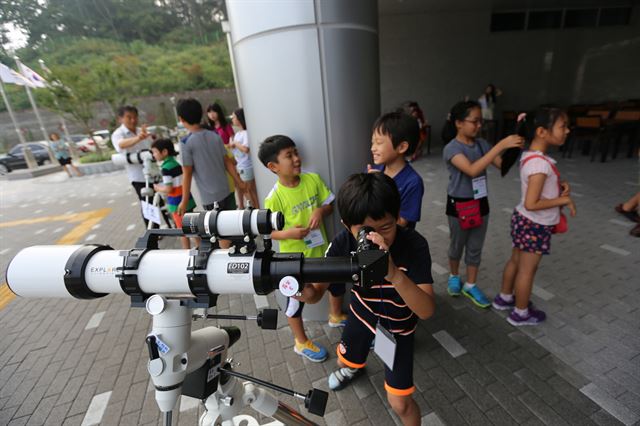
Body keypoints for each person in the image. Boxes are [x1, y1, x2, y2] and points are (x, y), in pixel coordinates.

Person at [297, 173, 435, 426]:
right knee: (343, 360)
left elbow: (426, 311)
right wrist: (305, 291)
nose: (378, 239)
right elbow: (315, 294)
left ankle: (356, 365)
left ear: (397, 217)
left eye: (386, 227)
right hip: (361, 316)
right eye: (366, 232)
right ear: (346, 225)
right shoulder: (342, 243)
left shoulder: (414, 245)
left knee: (400, 403)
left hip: (397, 328)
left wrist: (393, 273)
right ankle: (352, 367)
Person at [258, 135, 345, 362]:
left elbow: (329, 204)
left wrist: (320, 211)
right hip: (294, 261)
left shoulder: (312, 180)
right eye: (289, 156)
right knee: (295, 301)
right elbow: (268, 232)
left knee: (336, 282)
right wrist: (288, 233)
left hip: (322, 250)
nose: (297, 159)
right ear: (273, 167)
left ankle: (335, 315)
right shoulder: (273, 198)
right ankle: (300, 341)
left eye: (296, 153)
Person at [494, 108, 577, 325]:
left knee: (515, 261)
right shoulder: (539, 165)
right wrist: (564, 200)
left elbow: (535, 193)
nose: (567, 130)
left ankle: (504, 298)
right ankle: (520, 313)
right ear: (541, 131)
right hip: (534, 224)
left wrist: (559, 187)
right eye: (562, 126)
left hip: (523, 221)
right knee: (527, 271)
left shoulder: (531, 157)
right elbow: (533, 203)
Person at [442, 100, 524, 308]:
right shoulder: (452, 148)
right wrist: (500, 145)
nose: (479, 125)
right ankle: (453, 276)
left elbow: (502, 167)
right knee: (457, 244)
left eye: (481, 121)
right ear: (459, 123)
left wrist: (516, 139)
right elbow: (472, 170)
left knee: (475, 246)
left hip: (480, 202)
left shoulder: (482, 145)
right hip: (459, 204)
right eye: (475, 121)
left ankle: (470, 284)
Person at [176, 98, 245, 249]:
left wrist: (184, 200)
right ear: (201, 114)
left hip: (210, 197)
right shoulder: (214, 135)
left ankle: (227, 262)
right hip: (226, 189)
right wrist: (238, 182)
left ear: (181, 119)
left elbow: (186, 174)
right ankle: (236, 253)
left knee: (220, 232)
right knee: (230, 226)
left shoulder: (186, 143)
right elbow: (227, 162)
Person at [368, 111, 424, 229]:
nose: (373, 148)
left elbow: (400, 223)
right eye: (372, 142)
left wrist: (383, 187)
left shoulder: (413, 182)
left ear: (401, 147)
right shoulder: (374, 170)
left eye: (379, 143)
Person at [112, 105, 162, 228]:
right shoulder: (118, 134)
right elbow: (121, 145)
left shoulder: (142, 131)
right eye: (129, 117)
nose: (133, 120)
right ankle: (152, 231)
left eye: (135, 117)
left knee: (158, 200)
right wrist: (138, 138)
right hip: (138, 176)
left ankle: (162, 225)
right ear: (120, 119)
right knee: (147, 202)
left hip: (153, 172)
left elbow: (153, 147)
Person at [151, 138, 197, 249]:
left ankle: (186, 252)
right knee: (192, 227)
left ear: (164, 152)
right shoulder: (176, 163)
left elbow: (168, 189)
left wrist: (157, 188)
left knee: (182, 230)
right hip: (187, 200)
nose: (154, 155)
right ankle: (201, 247)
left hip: (177, 204)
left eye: (155, 152)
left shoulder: (165, 168)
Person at [228, 108, 260, 209]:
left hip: (246, 166)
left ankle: (256, 210)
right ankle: (255, 209)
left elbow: (246, 149)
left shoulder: (246, 133)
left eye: (234, 117)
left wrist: (235, 143)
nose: (232, 119)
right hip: (241, 166)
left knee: (248, 190)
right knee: (248, 190)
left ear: (239, 118)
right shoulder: (238, 133)